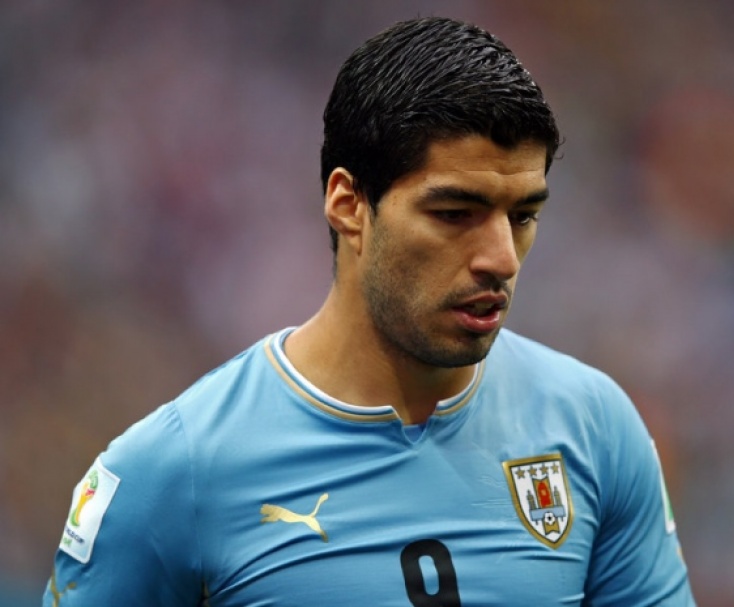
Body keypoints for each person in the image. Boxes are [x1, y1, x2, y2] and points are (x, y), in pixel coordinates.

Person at [44, 16, 696, 606]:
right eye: (455, 213)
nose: (501, 257)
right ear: (349, 204)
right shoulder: (174, 472)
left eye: (523, 216)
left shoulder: (594, 428)